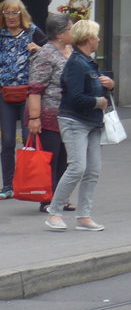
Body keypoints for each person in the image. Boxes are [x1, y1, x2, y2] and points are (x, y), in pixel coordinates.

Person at [45, 20, 113, 233]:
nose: (99, 40)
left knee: (93, 170)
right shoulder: (76, 63)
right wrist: (98, 102)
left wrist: (109, 85)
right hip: (74, 120)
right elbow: (74, 97)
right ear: (89, 38)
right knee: (77, 167)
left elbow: (94, 88)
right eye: (97, 36)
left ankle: (84, 216)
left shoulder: (87, 61)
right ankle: (54, 212)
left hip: (92, 122)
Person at [26, 13, 74, 212]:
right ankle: (47, 199)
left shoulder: (70, 51)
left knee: (65, 158)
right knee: (50, 159)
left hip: (68, 115)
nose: (74, 32)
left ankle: (60, 198)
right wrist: (35, 118)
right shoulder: (45, 54)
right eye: (71, 29)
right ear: (60, 34)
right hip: (49, 115)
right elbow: (35, 88)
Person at [0, 0, 42, 199]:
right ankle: (7, 186)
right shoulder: (0, 35)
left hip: (27, 94)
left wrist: (38, 49)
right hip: (5, 93)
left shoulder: (32, 32)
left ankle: (27, 182)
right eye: (7, 12)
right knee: (7, 140)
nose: (11, 17)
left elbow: (51, 53)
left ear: (21, 14)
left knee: (28, 138)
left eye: (14, 12)